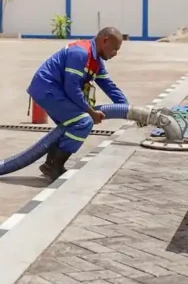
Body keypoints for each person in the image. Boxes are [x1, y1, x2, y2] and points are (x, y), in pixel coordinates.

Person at [28, 27, 128, 181]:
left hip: (57, 91)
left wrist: (128, 109)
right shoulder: (81, 53)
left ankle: (50, 165)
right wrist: (90, 111)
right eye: (115, 49)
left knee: (71, 124)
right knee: (83, 122)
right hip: (47, 89)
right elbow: (72, 88)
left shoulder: (96, 61)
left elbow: (110, 87)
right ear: (105, 41)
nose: (115, 53)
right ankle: (54, 166)